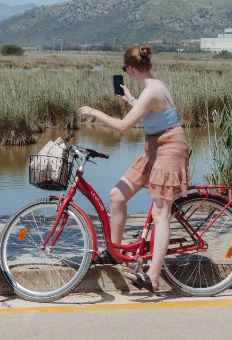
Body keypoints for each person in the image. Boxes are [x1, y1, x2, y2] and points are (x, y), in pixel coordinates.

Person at [76, 45, 189, 293]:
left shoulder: (152, 91)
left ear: (130, 69)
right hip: (154, 147)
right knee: (117, 195)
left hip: (169, 149)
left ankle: (153, 276)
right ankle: (114, 251)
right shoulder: (151, 88)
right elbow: (151, 114)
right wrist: (130, 99)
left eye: (125, 71)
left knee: (160, 215)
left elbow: (124, 127)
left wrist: (94, 112)